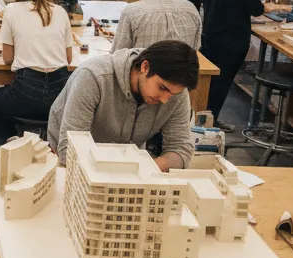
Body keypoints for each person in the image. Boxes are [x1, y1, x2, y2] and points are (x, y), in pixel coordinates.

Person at [46, 40, 197, 170]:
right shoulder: (94, 77)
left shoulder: (175, 93)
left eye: (172, 94)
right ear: (145, 67)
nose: (165, 99)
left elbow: (180, 149)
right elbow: (70, 150)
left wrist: (146, 168)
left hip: (127, 162)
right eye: (162, 88)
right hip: (71, 160)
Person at [0, 0, 73, 138]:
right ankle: (48, 135)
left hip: (26, 91)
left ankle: (12, 138)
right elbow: (68, 58)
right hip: (60, 94)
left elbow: (7, 59)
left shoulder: (12, 9)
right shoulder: (60, 11)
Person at [201, 0, 268, 121]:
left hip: (211, 32)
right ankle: (211, 122)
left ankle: (201, 120)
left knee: (209, 82)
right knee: (223, 82)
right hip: (233, 36)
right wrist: (266, 7)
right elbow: (254, 8)